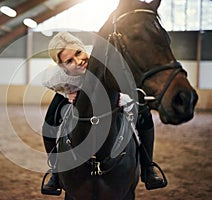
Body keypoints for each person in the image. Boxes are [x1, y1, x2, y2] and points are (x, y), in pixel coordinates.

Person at [41, 32, 164, 194]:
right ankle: (56, 172)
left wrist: (123, 97)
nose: (78, 61)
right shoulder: (57, 76)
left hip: (108, 92)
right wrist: (66, 94)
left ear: (83, 48)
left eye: (78, 53)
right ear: (62, 66)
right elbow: (49, 83)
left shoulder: (101, 61)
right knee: (48, 124)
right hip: (74, 90)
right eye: (69, 61)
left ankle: (148, 168)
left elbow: (120, 80)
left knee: (144, 113)